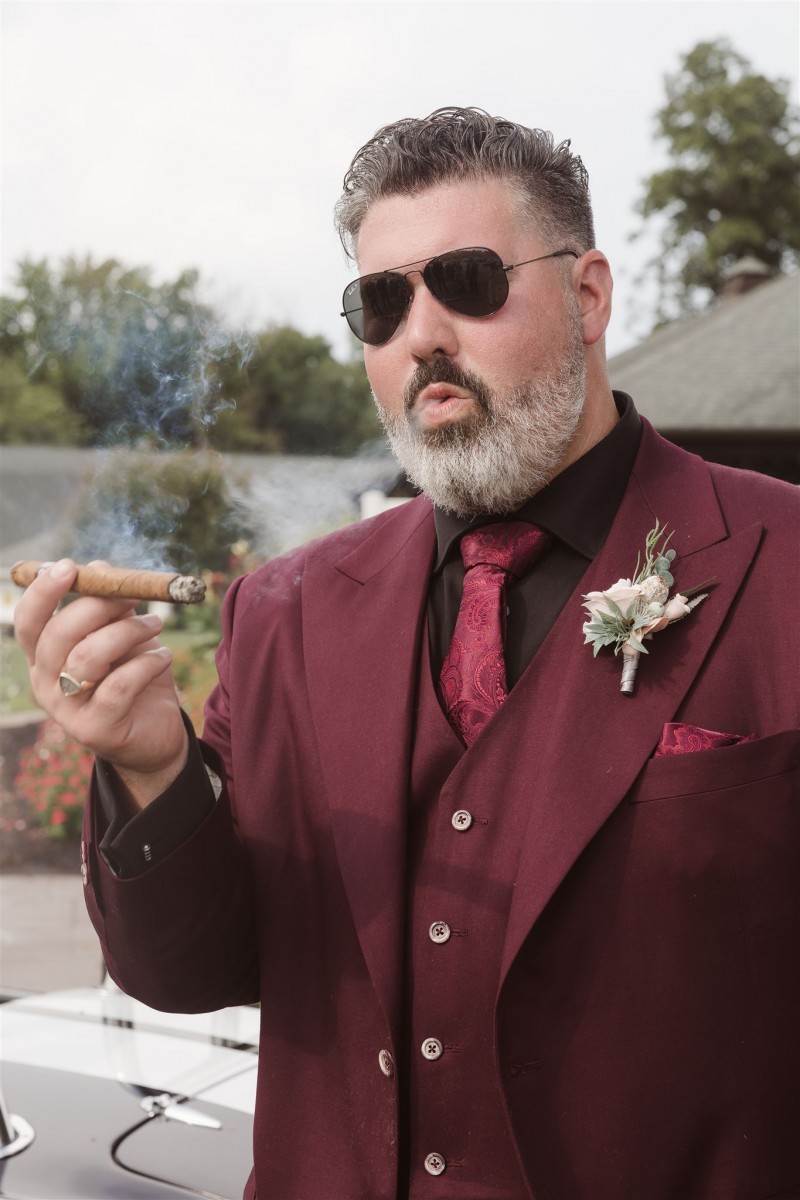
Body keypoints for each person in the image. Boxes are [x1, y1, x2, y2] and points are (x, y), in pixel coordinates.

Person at [15, 108, 800, 1200]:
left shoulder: (785, 564)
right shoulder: (281, 610)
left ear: (586, 296)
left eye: (466, 281)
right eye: (379, 303)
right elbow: (190, 974)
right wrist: (152, 767)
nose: (420, 332)